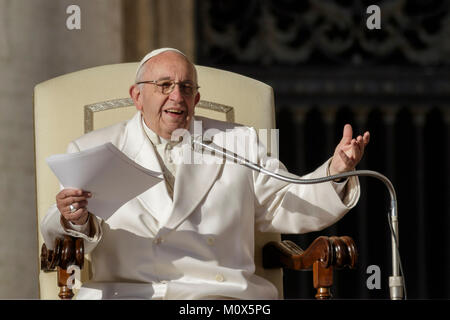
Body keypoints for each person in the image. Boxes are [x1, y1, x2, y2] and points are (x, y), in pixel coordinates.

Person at [40, 48, 370, 299]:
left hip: (223, 297)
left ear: (196, 98)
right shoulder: (93, 147)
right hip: (130, 293)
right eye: (164, 85)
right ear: (137, 96)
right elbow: (58, 230)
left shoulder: (238, 141)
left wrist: (336, 171)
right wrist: (74, 218)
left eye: (186, 88)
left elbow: (287, 201)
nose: (177, 96)